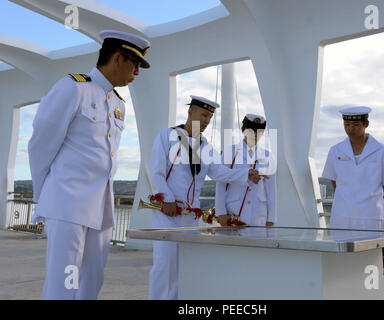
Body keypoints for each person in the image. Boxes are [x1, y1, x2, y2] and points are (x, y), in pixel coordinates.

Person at [28, 30, 151, 299]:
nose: (137, 72)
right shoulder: (73, 87)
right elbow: (41, 145)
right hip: (68, 203)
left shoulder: (118, 104)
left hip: (101, 207)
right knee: (65, 282)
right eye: (135, 64)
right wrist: (45, 198)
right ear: (117, 58)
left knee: (92, 280)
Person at [148, 95, 264, 300]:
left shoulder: (206, 147)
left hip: (190, 216)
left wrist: (246, 174)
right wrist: (166, 199)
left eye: (210, 117)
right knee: (164, 265)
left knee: (185, 266)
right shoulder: (167, 136)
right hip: (166, 214)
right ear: (190, 112)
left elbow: (219, 173)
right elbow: (156, 171)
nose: (206, 121)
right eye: (203, 115)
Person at [321, 106, 384, 230]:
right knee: (342, 248)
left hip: (371, 216)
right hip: (342, 215)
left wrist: (375, 206)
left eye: (356, 125)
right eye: (347, 124)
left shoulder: (382, 151)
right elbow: (334, 180)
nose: (350, 129)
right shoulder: (335, 151)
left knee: (370, 249)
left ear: (366, 124)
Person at [215, 114, 277, 226]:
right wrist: (220, 212)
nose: (255, 134)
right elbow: (221, 183)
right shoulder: (230, 152)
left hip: (258, 213)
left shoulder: (268, 156)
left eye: (259, 132)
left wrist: (271, 218)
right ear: (243, 130)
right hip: (234, 211)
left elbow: (271, 190)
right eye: (251, 130)